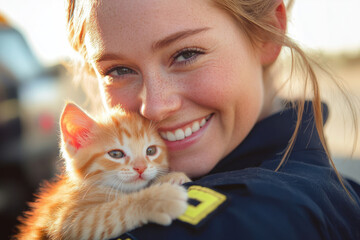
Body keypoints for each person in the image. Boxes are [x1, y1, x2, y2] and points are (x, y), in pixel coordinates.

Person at [65, 0, 360, 239]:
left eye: (186, 54)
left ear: (269, 32)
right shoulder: (340, 192)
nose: (154, 108)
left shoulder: (222, 222)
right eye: (117, 71)